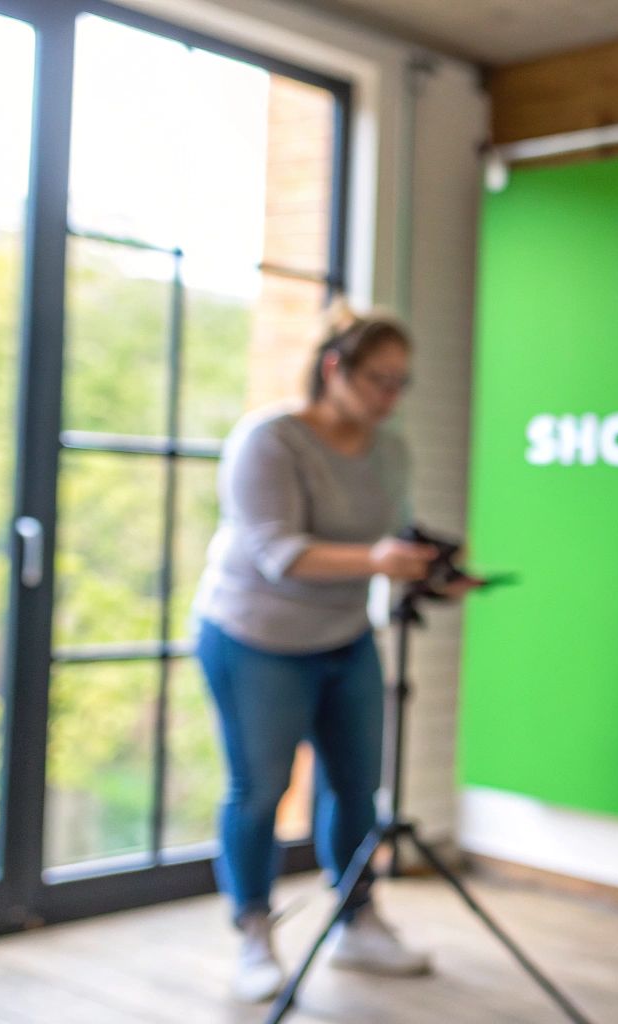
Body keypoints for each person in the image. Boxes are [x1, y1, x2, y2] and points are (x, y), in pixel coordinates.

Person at [192, 313, 457, 1002]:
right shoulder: (269, 441)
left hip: (344, 634)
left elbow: (391, 533)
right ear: (336, 367)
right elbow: (280, 554)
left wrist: (427, 568)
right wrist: (376, 560)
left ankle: (357, 921)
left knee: (356, 785)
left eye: (401, 383)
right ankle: (253, 933)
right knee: (259, 791)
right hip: (256, 635)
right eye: (378, 379)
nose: (389, 396)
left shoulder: (389, 449)